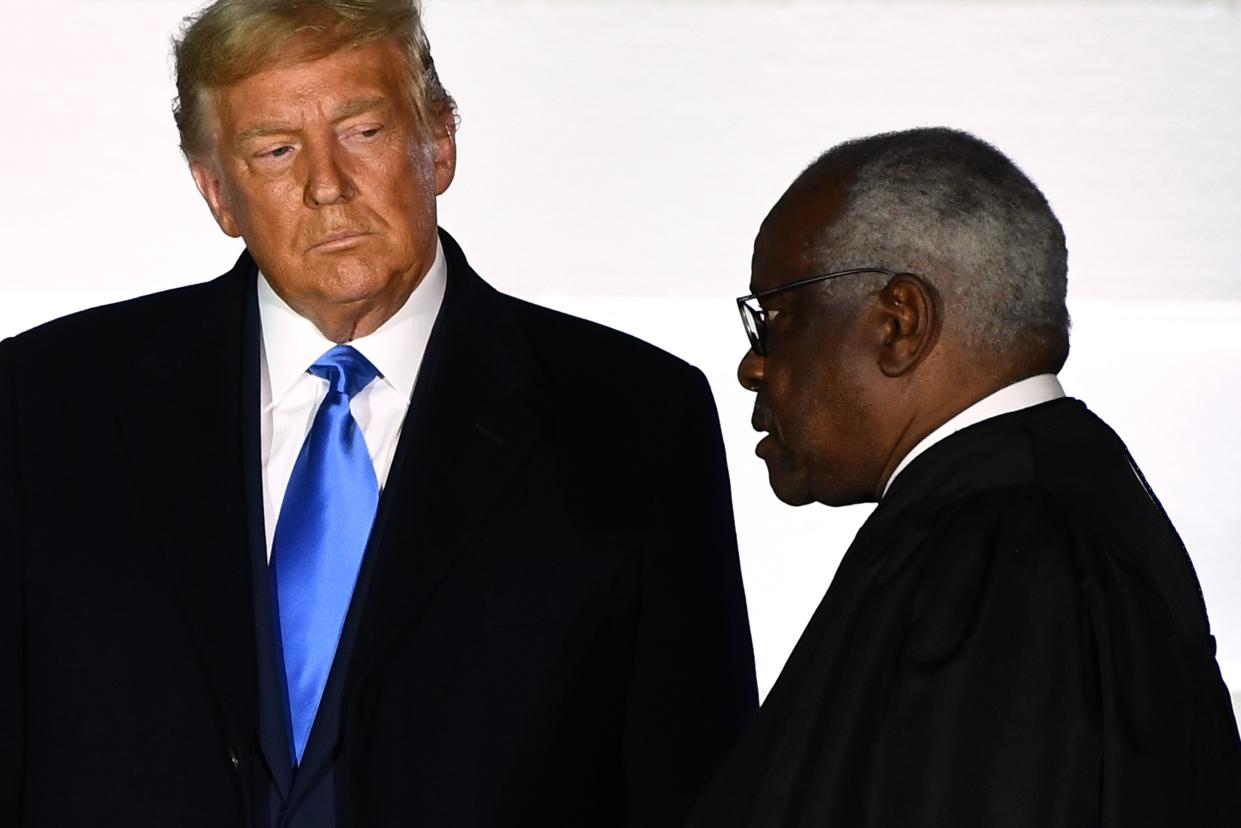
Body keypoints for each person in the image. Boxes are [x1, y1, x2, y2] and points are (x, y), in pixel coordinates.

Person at [0, 1, 758, 825]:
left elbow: (697, 784)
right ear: (218, 192)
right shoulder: (40, 406)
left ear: (440, 143)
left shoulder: (635, 419)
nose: (326, 185)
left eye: (362, 131)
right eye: (276, 149)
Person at [688, 127, 1241, 826]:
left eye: (774, 317)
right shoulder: (1040, 510)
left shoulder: (1007, 551)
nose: (752, 366)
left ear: (898, 323)